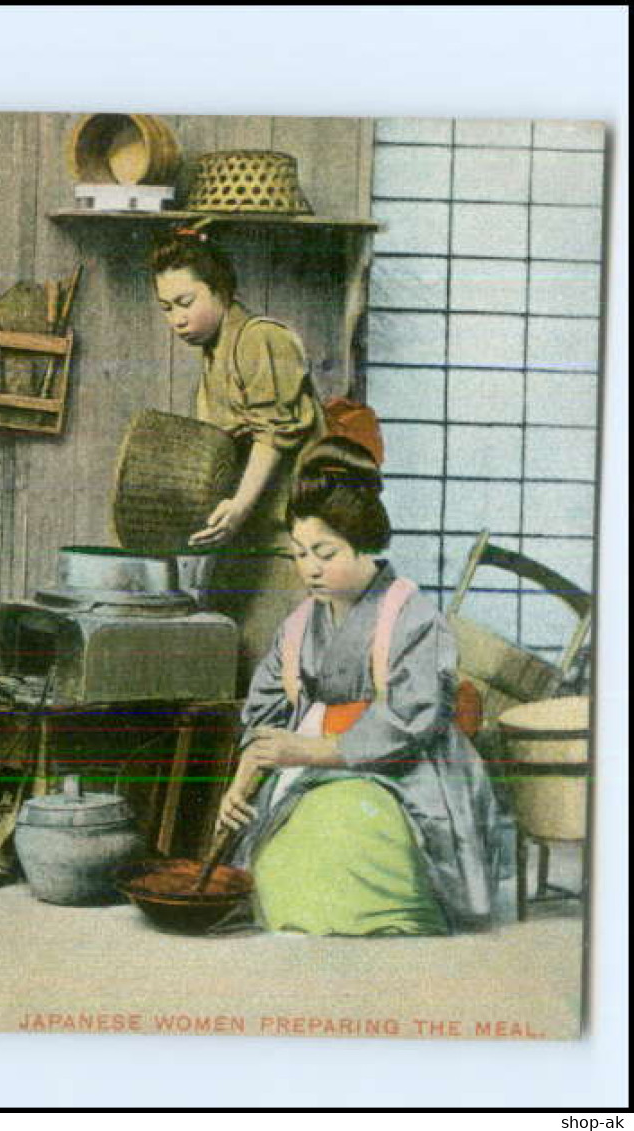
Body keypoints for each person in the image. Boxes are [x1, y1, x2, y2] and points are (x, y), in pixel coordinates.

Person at [215, 439, 509, 935]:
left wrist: (306, 749)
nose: (309, 568)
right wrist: (244, 777)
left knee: (353, 834)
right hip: (306, 765)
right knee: (286, 850)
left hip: (403, 769)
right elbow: (265, 713)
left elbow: (407, 722)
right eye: (300, 553)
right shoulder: (298, 625)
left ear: (363, 544)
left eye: (325, 553)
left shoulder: (412, 617)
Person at [150, 227, 326, 685]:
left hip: (292, 537)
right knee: (230, 660)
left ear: (221, 291)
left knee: (281, 670)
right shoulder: (213, 356)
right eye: (166, 308)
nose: (176, 319)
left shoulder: (260, 338)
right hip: (249, 536)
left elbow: (274, 436)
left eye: (186, 302)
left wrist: (239, 507)